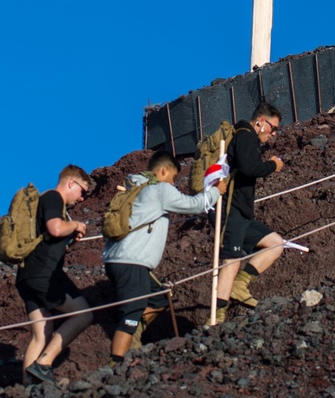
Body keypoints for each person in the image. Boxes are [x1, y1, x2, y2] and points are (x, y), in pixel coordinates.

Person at [103, 150, 221, 363]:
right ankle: (116, 363)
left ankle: (134, 336)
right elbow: (194, 205)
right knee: (131, 313)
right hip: (132, 261)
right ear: (164, 170)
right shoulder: (159, 190)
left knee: (159, 298)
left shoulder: (135, 187)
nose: (173, 183)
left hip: (117, 259)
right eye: (173, 178)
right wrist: (215, 192)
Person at [17, 165, 93, 384]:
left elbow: (52, 237)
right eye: (82, 192)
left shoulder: (46, 203)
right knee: (84, 314)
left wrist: (68, 239)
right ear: (71, 183)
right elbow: (56, 229)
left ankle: (26, 389)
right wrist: (76, 224)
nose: (82, 199)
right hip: (44, 275)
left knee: (42, 333)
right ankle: (44, 363)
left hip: (26, 276)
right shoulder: (53, 198)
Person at [215, 102, 285, 320]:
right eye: (273, 128)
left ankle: (240, 285)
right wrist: (273, 165)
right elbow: (250, 168)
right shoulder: (245, 136)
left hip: (242, 212)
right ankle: (216, 317)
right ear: (261, 122)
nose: (273, 134)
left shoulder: (247, 139)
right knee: (231, 260)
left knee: (275, 243)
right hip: (230, 208)